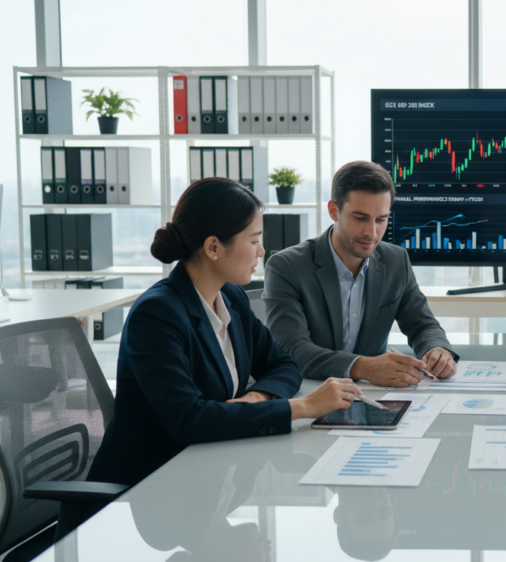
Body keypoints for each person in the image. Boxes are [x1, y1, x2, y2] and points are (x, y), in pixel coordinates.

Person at [88, 178, 364, 488]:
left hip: (210, 473)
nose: (261, 251)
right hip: (149, 490)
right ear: (213, 247)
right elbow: (190, 421)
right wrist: (304, 407)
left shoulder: (231, 298)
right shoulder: (156, 316)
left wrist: (256, 397)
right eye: (253, 240)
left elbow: (283, 365)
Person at [263, 160, 459, 387]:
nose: (372, 232)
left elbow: (422, 325)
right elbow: (292, 348)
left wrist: (437, 349)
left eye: (381, 220)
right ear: (333, 211)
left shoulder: (396, 261)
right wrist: (363, 367)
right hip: (309, 391)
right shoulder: (287, 266)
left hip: (371, 394)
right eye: (360, 218)